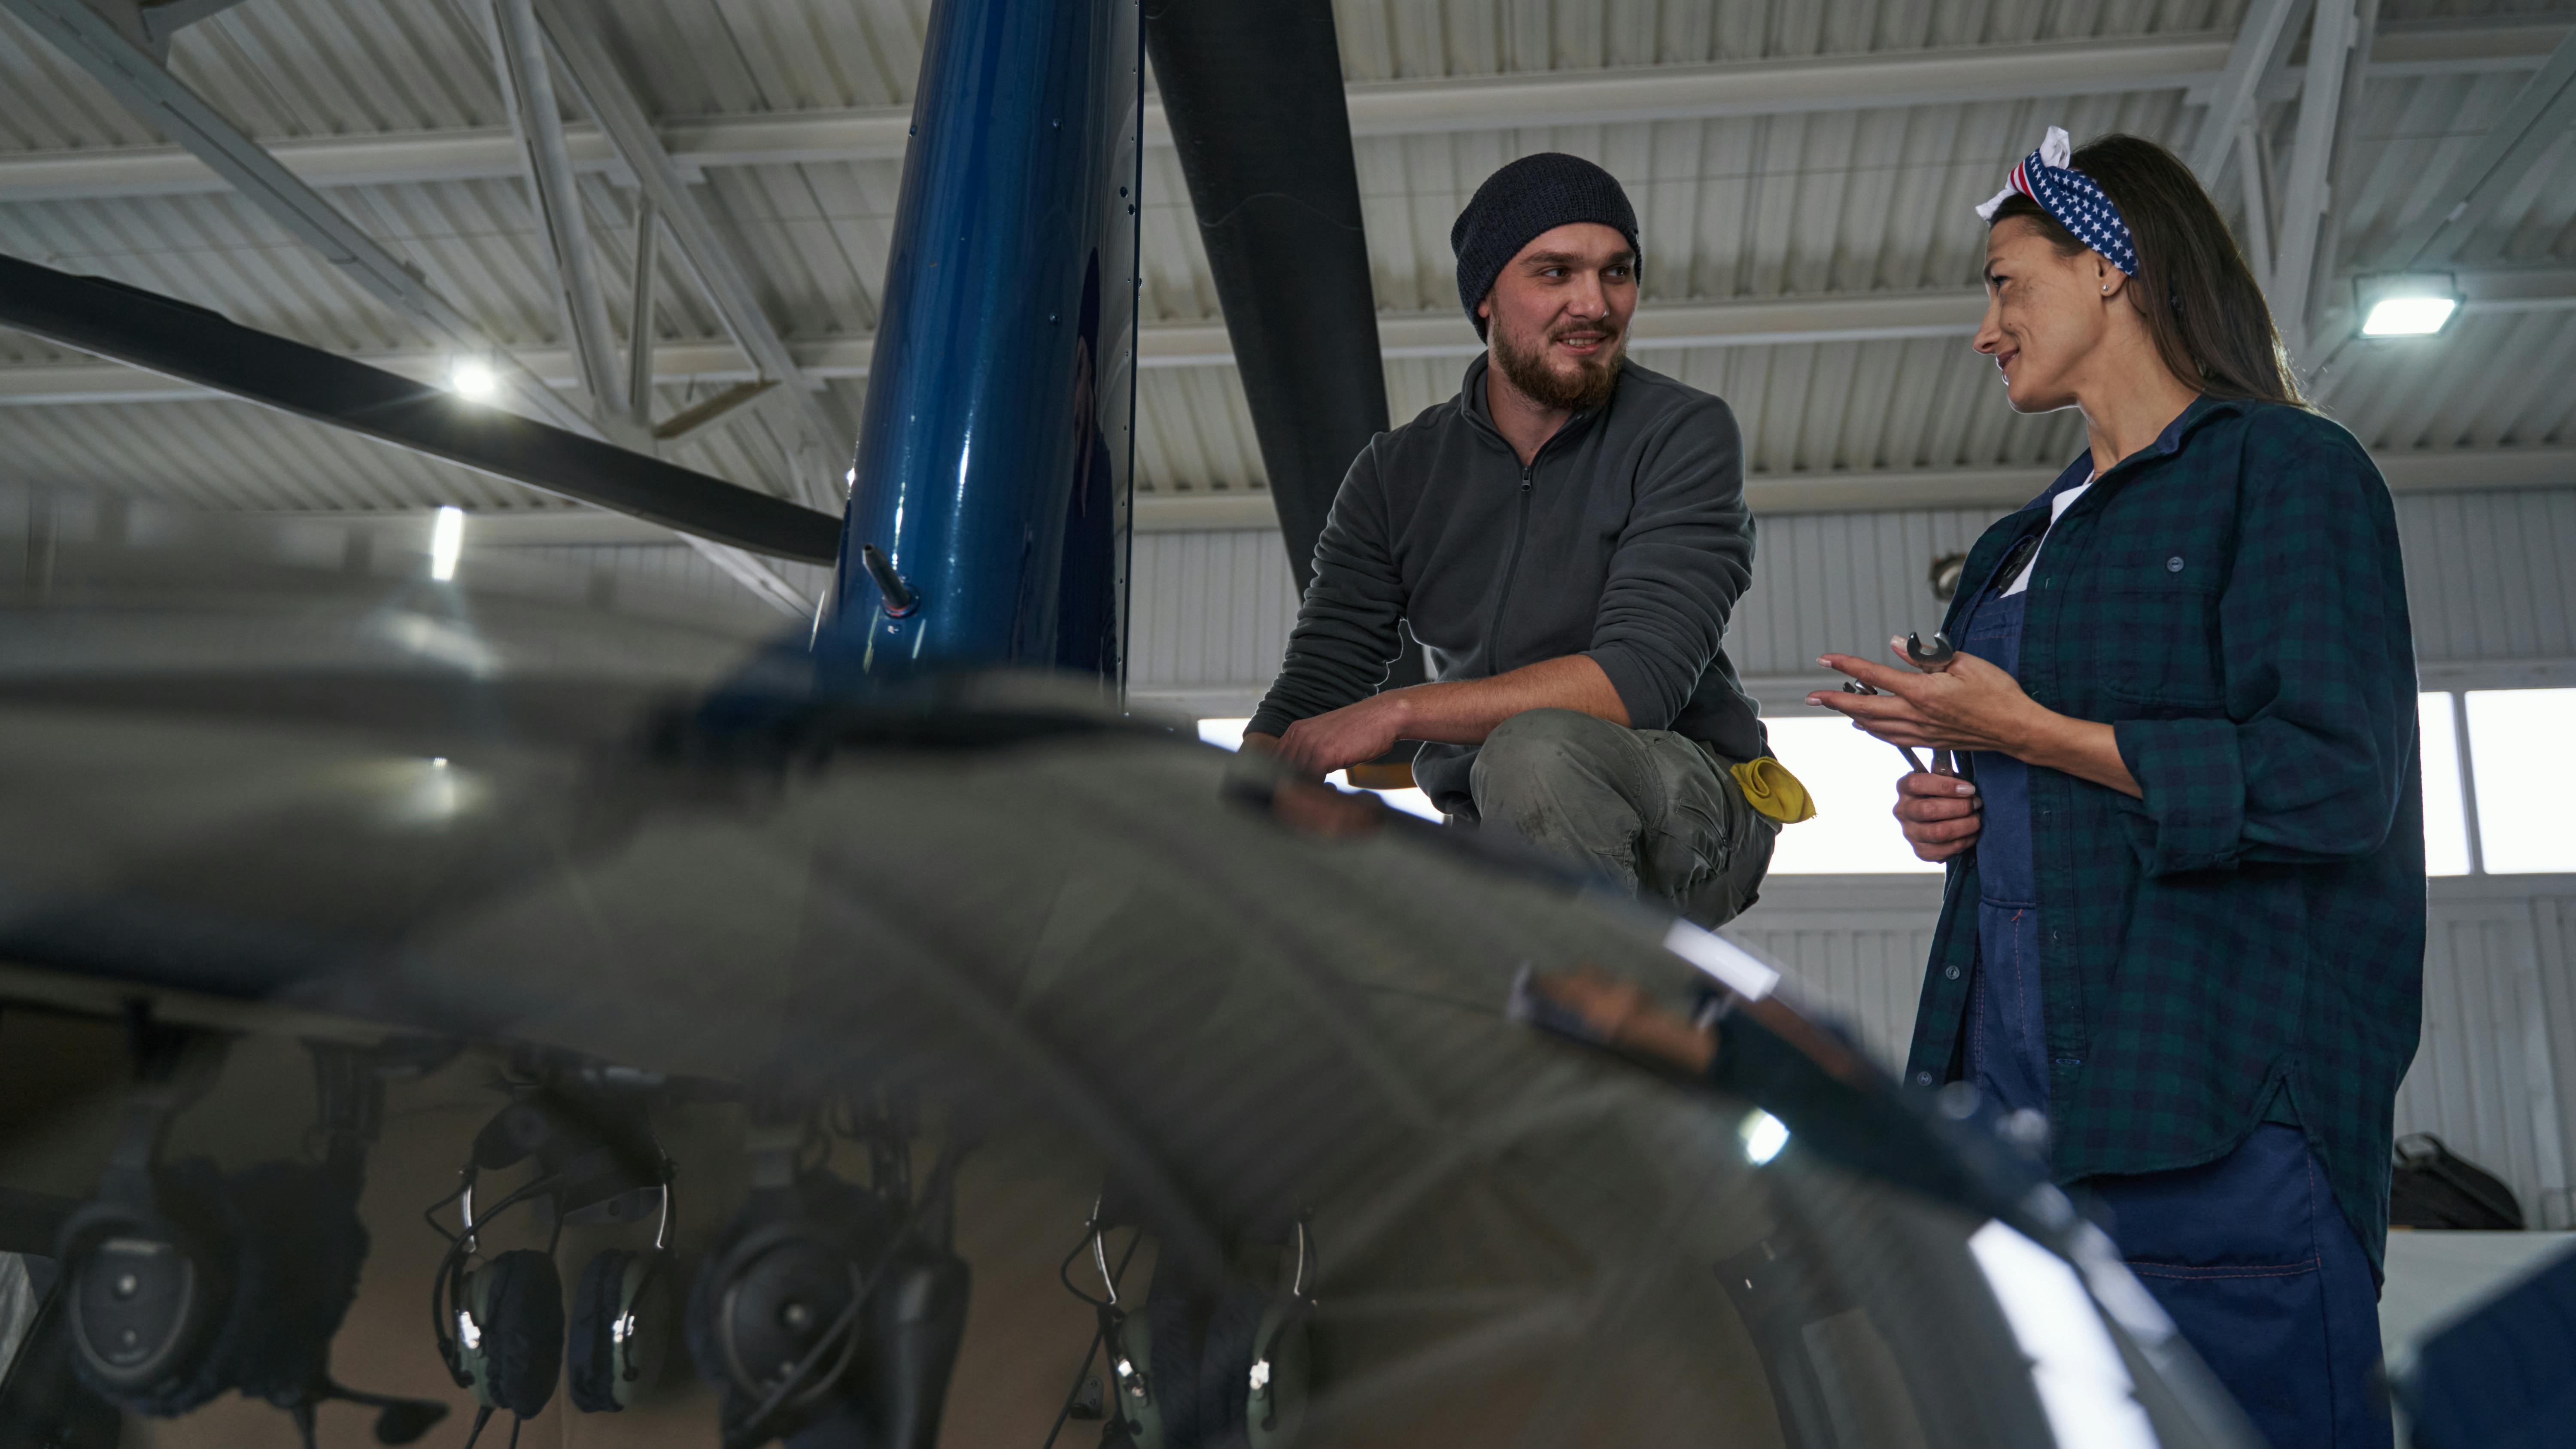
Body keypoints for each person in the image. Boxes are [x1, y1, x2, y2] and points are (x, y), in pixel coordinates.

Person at [1814, 129, 2422, 1448]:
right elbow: (2044, 779)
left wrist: (2033, 734)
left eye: (2004, 282)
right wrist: (1962, 804)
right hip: (2026, 1133)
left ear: (2110, 268)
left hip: (2222, 1122)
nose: (1985, 330)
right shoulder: (2018, 544)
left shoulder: (2288, 472)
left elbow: (2331, 783)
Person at [1240, 152, 1803, 927]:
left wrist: (1401, 712)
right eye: (1554, 274)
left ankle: (1592, 1025)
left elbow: (1637, 680)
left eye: (1618, 272)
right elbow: (1317, 683)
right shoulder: (1395, 474)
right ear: (1485, 301)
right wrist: (1232, 808)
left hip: (1694, 800)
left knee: (1531, 753)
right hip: (1494, 821)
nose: (1594, 304)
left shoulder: (1682, 433)